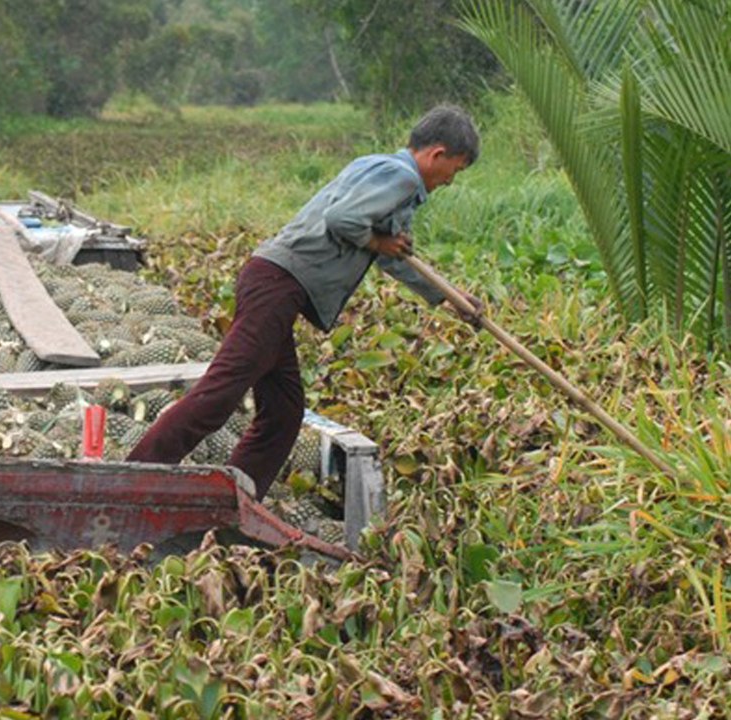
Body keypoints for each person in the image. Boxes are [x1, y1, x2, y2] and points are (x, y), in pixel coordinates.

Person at [127, 104, 485, 500]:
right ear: (437, 154)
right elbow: (342, 219)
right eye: (456, 169)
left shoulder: (379, 168)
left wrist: (450, 298)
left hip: (276, 284)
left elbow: (392, 256)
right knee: (221, 391)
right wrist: (376, 240)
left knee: (283, 411)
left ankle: (232, 501)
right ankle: (133, 479)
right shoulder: (402, 177)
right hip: (278, 283)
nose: (450, 180)